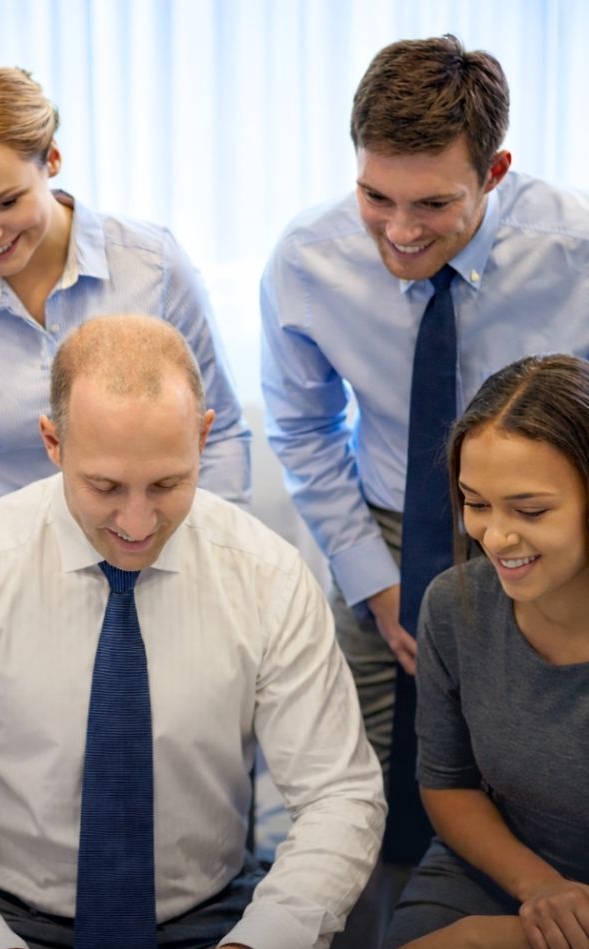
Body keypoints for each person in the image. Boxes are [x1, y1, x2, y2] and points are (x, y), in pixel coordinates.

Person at [0, 315, 385, 949]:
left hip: (216, 921)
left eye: (167, 485)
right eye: (104, 487)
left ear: (203, 436)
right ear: (53, 442)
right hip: (2, 921)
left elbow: (339, 794)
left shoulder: (268, 578)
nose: (137, 524)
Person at [260, 34, 589, 860]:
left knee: (536, 769)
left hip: (544, 530)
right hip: (385, 528)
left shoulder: (575, 254)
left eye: (433, 206)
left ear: (495, 171)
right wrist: (375, 585)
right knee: (360, 788)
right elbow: (303, 430)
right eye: (376, 196)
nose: (399, 233)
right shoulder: (307, 262)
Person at [0, 66, 251, 560]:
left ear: (53, 160)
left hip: (153, 539)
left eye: (5, 202)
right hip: (5, 554)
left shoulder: (153, 265)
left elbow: (222, 435)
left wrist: (213, 561)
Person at [383, 354, 589, 949]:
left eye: (530, 511)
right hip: (503, 862)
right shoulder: (455, 606)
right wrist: (538, 886)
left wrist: (485, 940)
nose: (495, 538)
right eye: (476, 504)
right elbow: (448, 787)